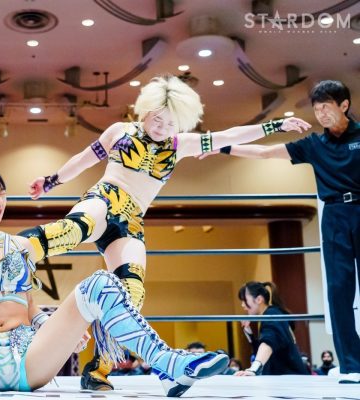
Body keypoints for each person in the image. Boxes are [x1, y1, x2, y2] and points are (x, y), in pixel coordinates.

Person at [20, 75, 311, 390]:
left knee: (131, 292)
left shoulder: (180, 144)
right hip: (105, 199)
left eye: (170, 123)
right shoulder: (120, 131)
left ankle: (98, 370)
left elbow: (228, 136)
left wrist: (275, 125)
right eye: (157, 120)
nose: (161, 128)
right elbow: (83, 159)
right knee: (75, 228)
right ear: (145, 111)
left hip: (131, 221)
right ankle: (16, 254)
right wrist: (51, 181)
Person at [0, 165, 229, 400]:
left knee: (101, 282)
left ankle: (168, 365)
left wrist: (59, 327)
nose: (0, 201)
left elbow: (29, 306)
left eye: (3, 193)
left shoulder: (21, 245)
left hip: (31, 358)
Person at [208, 80, 360, 384]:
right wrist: (222, 147)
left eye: (326, 107)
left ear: (344, 105)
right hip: (333, 216)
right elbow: (265, 153)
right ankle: (352, 366)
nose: (321, 114)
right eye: (317, 109)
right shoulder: (314, 144)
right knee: (338, 291)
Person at [235, 281, 308, 376]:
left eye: (245, 300)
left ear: (259, 299)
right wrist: (249, 333)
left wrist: (253, 369)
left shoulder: (272, 315)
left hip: (290, 379)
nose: (242, 305)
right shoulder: (270, 315)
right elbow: (264, 350)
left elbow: (268, 342)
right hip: (283, 377)